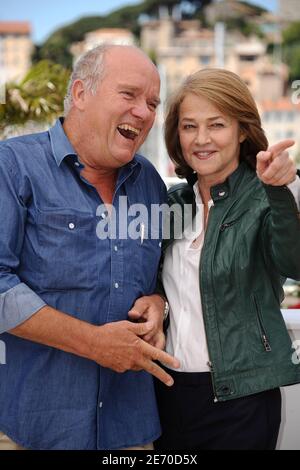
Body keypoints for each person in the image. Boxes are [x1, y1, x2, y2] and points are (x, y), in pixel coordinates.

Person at [0, 44, 180, 450]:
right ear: (81, 94)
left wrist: (158, 301)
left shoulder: (150, 182)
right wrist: (95, 344)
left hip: (130, 432)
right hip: (29, 428)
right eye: (129, 95)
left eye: (152, 102)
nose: (145, 112)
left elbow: (158, 277)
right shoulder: (12, 166)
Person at [129, 68, 300, 450]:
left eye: (217, 125)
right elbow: (153, 277)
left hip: (244, 400)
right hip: (169, 393)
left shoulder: (266, 194)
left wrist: (282, 191)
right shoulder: (172, 203)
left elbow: (294, 262)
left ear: (242, 130)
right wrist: (157, 300)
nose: (201, 139)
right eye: (189, 126)